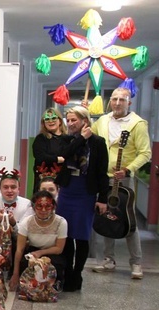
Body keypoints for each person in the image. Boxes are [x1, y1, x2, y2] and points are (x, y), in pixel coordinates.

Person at [90, 87, 151, 280]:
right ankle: (109, 260)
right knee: (108, 217)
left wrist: (128, 169)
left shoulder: (137, 124)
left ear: (129, 102)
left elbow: (146, 153)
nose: (117, 103)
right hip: (103, 178)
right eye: (114, 99)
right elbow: (88, 135)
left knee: (128, 219)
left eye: (121, 100)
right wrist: (84, 116)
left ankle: (136, 263)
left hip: (123, 179)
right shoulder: (103, 120)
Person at [57, 106, 109, 292]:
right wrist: (81, 138)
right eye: (68, 120)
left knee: (81, 236)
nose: (70, 124)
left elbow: (102, 173)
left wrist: (103, 198)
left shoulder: (98, 142)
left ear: (85, 121)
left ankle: (77, 274)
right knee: (66, 234)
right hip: (67, 192)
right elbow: (65, 153)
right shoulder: (66, 139)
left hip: (85, 193)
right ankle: (67, 271)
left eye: (74, 120)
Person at [8, 190, 68, 291]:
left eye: (47, 206)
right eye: (39, 206)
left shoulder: (61, 222)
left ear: (53, 207)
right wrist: (15, 274)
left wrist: (41, 252)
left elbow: (59, 248)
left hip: (52, 252)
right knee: (24, 263)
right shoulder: (26, 222)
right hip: (32, 251)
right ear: (34, 207)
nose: (43, 210)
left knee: (54, 265)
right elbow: (19, 249)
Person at [0, 168, 33, 241]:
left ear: (18, 189)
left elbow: (21, 236)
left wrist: (14, 223)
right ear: (0, 188)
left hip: (18, 242)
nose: (9, 191)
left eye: (13, 187)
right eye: (5, 187)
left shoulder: (27, 204)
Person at [32, 108, 69, 191]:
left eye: (53, 118)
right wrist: (57, 159)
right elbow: (40, 156)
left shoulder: (68, 139)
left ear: (60, 121)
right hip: (43, 180)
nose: (50, 121)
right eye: (47, 119)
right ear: (43, 123)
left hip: (63, 180)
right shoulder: (40, 138)